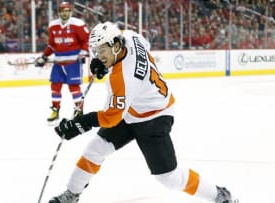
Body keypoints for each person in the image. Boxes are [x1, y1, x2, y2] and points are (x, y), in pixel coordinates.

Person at [49, 22, 238, 203]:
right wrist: (106, 64)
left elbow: (109, 118)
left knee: (169, 178)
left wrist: (79, 124)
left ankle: (218, 194)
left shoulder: (123, 78)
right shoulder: (130, 37)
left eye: (101, 50)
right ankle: (72, 194)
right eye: (96, 51)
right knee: (95, 149)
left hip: (154, 117)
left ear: (115, 46)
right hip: (133, 108)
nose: (98, 55)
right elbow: (142, 46)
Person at [35, 1, 90, 123]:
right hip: (58, 62)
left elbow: (86, 41)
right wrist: (44, 56)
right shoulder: (53, 25)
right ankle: (55, 110)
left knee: (74, 87)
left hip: (73, 62)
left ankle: (79, 111)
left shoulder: (78, 24)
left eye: (67, 11)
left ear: (70, 12)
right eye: (62, 11)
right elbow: (52, 45)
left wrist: (84, 53)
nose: (65, 13)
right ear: (59, 12)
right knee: (55, 86)